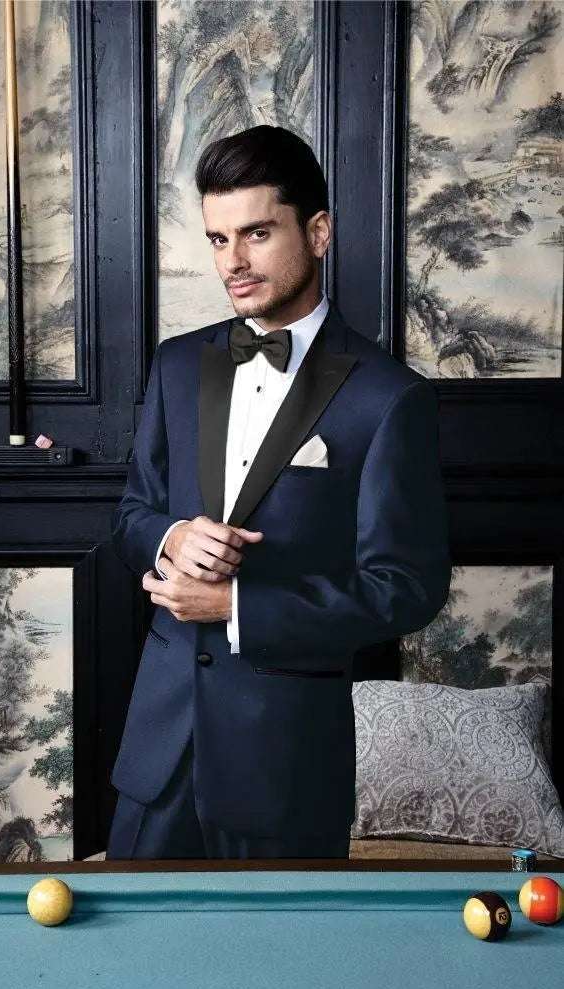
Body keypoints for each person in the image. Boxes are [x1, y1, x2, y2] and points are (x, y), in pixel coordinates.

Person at [106, 125, 451, 860]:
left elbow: (407, 588)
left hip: (286, 768)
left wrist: (238, 606)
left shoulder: (390, 398)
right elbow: (133, 515)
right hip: (157, 756)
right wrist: (172, 536)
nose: (232, 261)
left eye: (256, 233)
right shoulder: (177, 364)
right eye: (218, 239)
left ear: (318, 232)